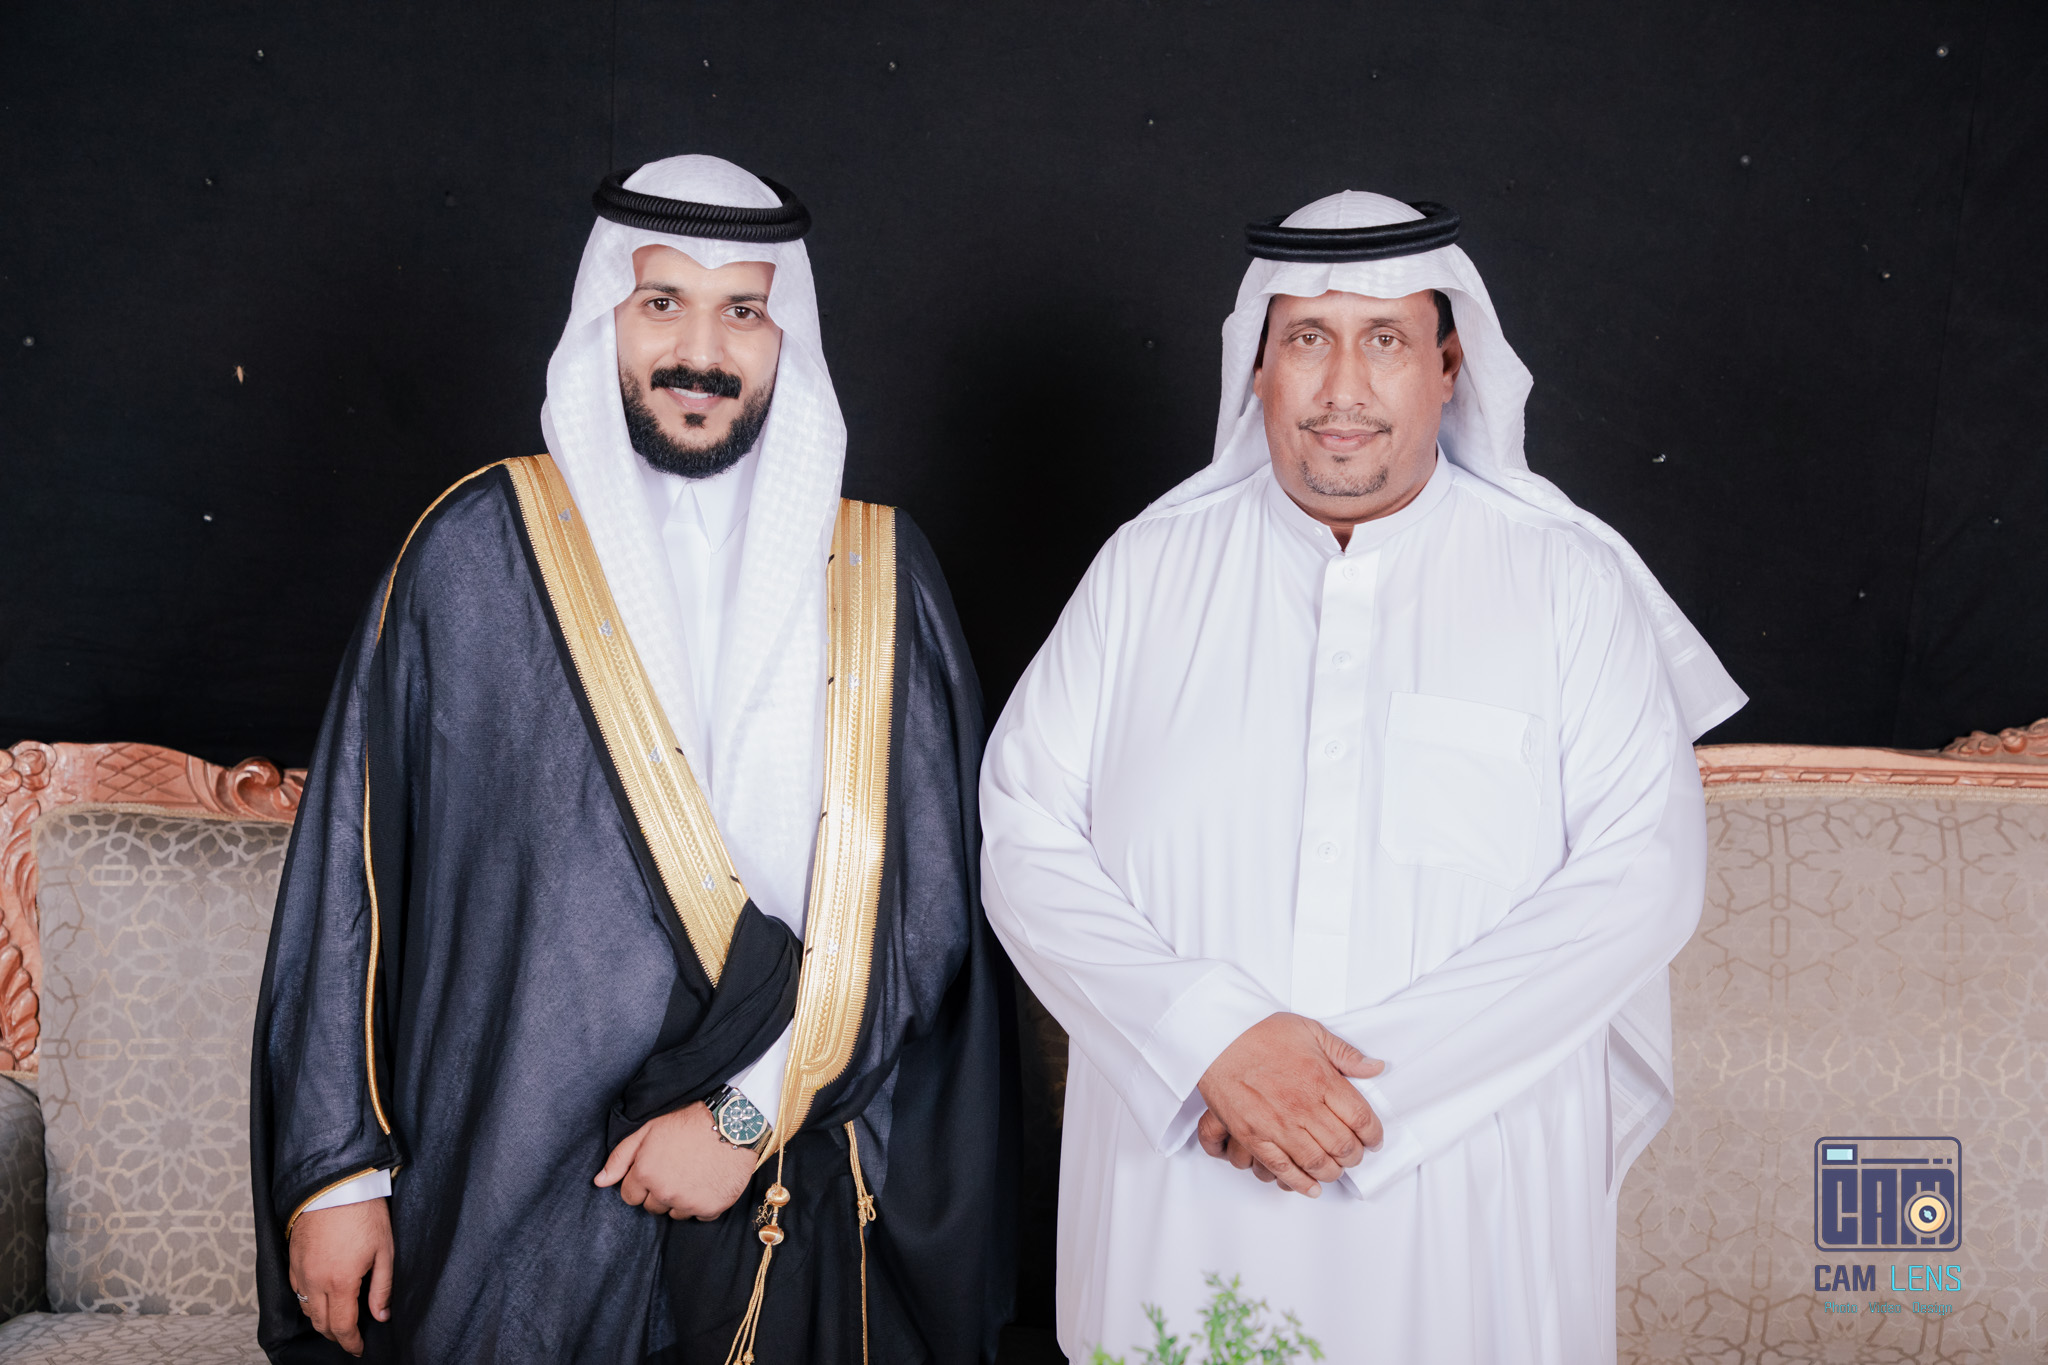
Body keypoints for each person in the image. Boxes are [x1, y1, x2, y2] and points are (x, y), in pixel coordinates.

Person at [251, 154, 1013, 1364]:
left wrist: (745, 1114)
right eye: (663, 302)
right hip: (517, 1172)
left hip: (789, 1164)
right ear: (605, 312)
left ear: (786, 338)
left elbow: (922, 918)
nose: (700, 351)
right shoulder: (473, 556)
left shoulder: (878, 577)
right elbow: (354, 879)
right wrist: (336, 1177)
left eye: (742, 310)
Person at [980, 191, 1745, 1363]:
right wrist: (1209, 1044)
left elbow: (1640, 879)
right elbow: (1024, 836)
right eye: (1306, 338)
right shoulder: (1143, 573)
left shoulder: (1566, 584)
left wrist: (1359, 1098)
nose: (1341, 387)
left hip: (1469, 1184)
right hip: (1188, 1155)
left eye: (1383, 339)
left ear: (1448, 367)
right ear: (1256, 368)